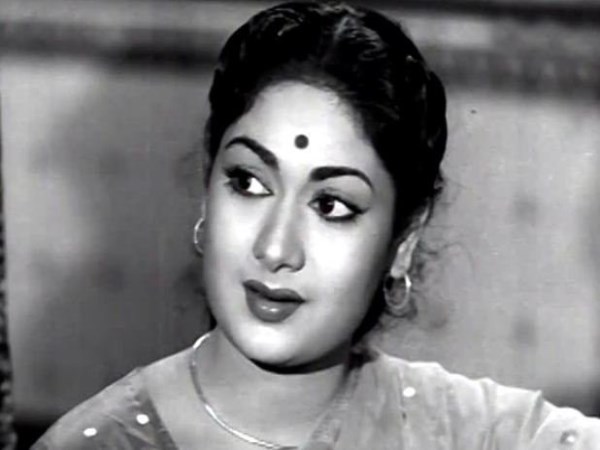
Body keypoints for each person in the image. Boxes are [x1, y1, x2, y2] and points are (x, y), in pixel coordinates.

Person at [33, 2, 600, 449]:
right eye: (248, 183)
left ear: (403, 242)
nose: (275, 247)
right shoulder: (98, 443)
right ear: (208, 185)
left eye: (331, 205)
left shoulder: (473, 434)